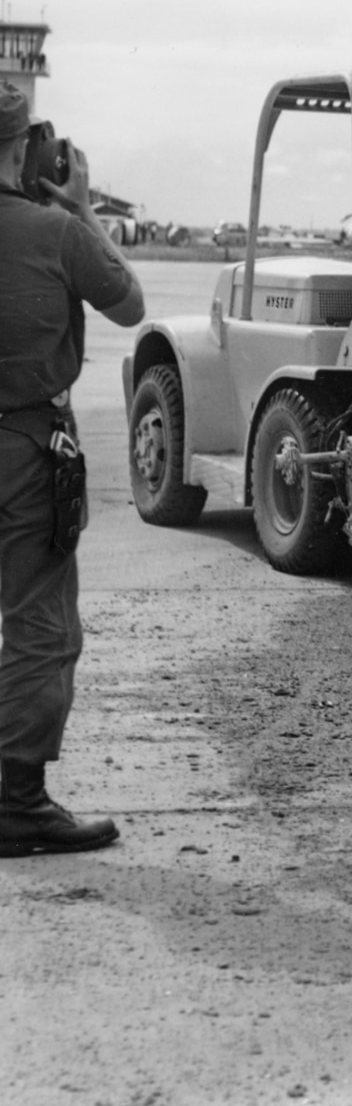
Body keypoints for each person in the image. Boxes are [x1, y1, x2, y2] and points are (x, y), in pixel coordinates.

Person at [0, 83, 145, 855]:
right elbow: (129, 305)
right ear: (24, 146)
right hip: (24, 448)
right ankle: (17, 802)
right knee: (37, 623)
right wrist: (83, 209)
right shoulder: (57, 232)